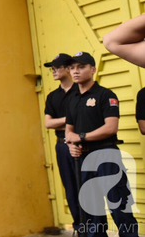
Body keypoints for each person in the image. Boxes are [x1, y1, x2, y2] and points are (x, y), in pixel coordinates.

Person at [65, 52, 138, 237]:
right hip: (82, 158)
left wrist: (80, 137)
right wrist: (71, 144)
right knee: (91, 211)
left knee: (119, 205)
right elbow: (68, 131)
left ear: (93, 69)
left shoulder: (105, 95)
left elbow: (111, 128)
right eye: (72, 67)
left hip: (106, 155)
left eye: (81, 67)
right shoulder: (73, 99)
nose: (75, 71)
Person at [42, 53, 81, 232]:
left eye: (57, 67)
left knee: (87, 186)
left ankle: (96, 229)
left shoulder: (81, 91)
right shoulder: (52, 97)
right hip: (61, 145)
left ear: (68, 68)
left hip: (82, 145)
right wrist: (71, 118)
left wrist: (64, 120)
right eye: (52, 69)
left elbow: (86, 119)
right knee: (71, 189)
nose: (54, 71)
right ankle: (80, 228)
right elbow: (48, 123)